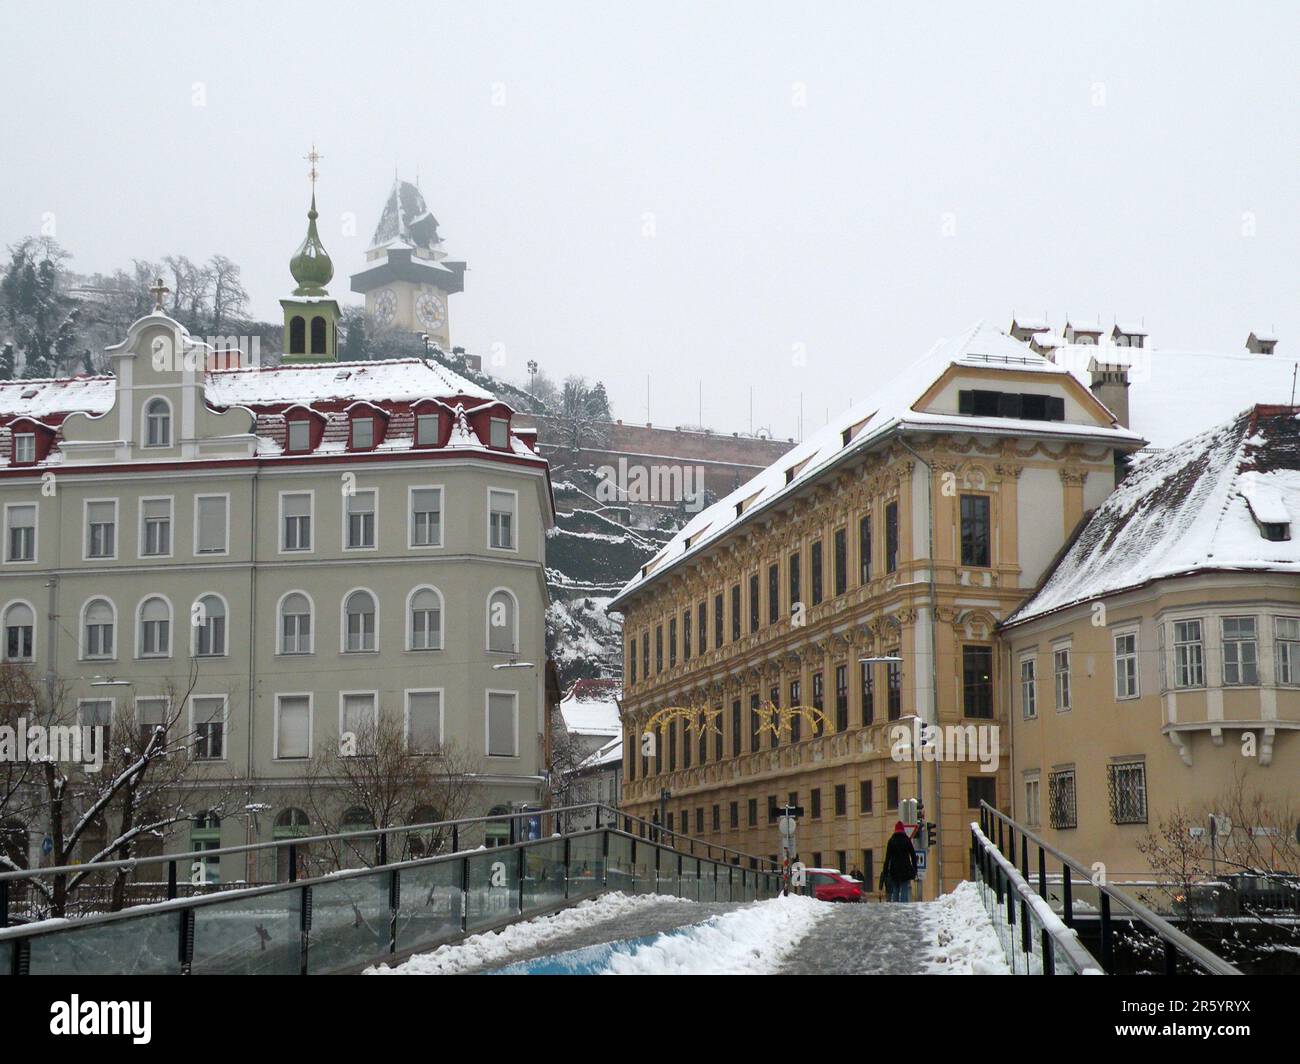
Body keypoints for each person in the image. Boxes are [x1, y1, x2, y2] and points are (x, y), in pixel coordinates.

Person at [879, 820, 918, 902]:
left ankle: (895, 907)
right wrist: (915, 869)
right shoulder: (907, 840)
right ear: (903, 829)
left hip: (894, 870)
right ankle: (904, 907)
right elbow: (913, 855)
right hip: (905, 870)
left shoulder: (891, 841)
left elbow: (887, 858)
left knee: (895, 889)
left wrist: (885, 872)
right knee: (904, 889)